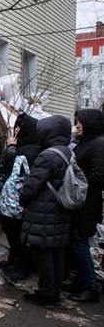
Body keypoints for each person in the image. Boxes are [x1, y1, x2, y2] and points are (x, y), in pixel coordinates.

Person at [19, 115, 74, 310]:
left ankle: (46, 294)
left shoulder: (47, 155)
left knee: (43, 252)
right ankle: (55, 291)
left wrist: (22, 198)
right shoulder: (67, 152)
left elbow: (33, 185)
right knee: (57, 251)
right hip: (60, 210)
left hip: (44, 211)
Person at [63, 109, 104, 303]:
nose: (76, 126)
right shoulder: (85, 143)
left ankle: (91, 287)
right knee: (75, 243)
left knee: (80, 244)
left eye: (80, 123)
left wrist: (76, 183)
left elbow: (98, 175)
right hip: (78, 202)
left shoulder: (98, 144)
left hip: (88, 204)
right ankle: (80, 281)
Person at [0, 114, 40, 283]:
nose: (17, 129)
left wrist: (11, 150)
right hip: (8, 199)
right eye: (16, 125)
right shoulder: (19, 145)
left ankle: (22, 267)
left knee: (19, 234)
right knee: (11, 231)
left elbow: (19, 171)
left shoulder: (33, 149)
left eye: (21, 126)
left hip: (19, 201)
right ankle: (14, 261)